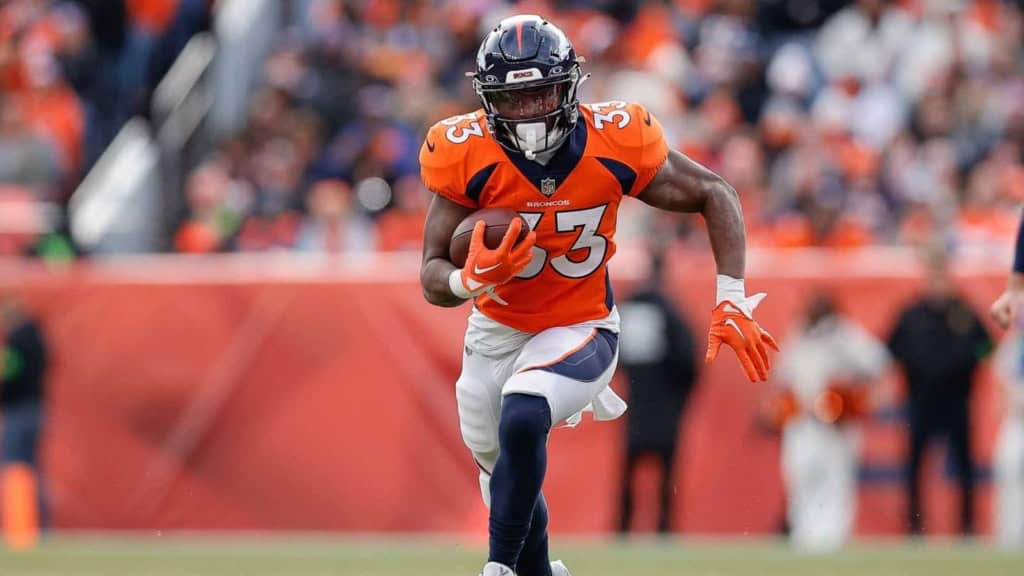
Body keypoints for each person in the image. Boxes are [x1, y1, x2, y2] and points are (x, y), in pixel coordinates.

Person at [418, 15, 778, 576]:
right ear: (488, 102)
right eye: (513, 101)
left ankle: (498, 569)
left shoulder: (616, 139)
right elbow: (431, 276)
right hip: (495, 332)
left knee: (524, 412)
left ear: (568, 88)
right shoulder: (463, 152)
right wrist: (472, 280)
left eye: (540, 95)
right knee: (503, 469)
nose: (530, 113)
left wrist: (731, 294)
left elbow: (714, 191)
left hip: (581, 325)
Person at [887, 247, 992, 536]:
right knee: (915, 466)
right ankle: (914, 526)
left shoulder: (965, 313)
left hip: (957, 399)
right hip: (920, 400)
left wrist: (969, 363)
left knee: (963, 466)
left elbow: (987, 346)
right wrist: (912, 366)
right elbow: (891, 348)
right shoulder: (912, 314)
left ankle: (967, 526)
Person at [774, 291, 888, 551]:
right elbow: (782, 375)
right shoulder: (799, 334)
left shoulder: (844, 335)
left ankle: (834, 539)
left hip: (836, 423)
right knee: (801, 478)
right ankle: (804, 536)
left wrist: (854, 396)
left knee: (836, 482)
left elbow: (877, 364)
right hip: (803, 420)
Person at [616, 247, 697, 535]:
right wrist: (680, 396)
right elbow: (689, 360)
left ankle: (623, 530)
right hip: (664, 406)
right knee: (665, 474)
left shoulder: (630, 306)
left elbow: (610, 354)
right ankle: (663, 530)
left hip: (635, 403)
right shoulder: (670, 312)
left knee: (628, 473)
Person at [1, 295, 49, 536]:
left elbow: (10, 376)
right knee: (31, 469)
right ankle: (39, 525)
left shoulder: (17, 341)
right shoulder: (38, 337)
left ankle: (22, 527)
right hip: (36, 407)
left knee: (15, 466)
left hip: (20, 409)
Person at [991, 314, 1024, 548]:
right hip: (1017, 421)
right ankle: (1009, 537)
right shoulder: (1015, 344)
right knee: (1008, 469)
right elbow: (999, 370)